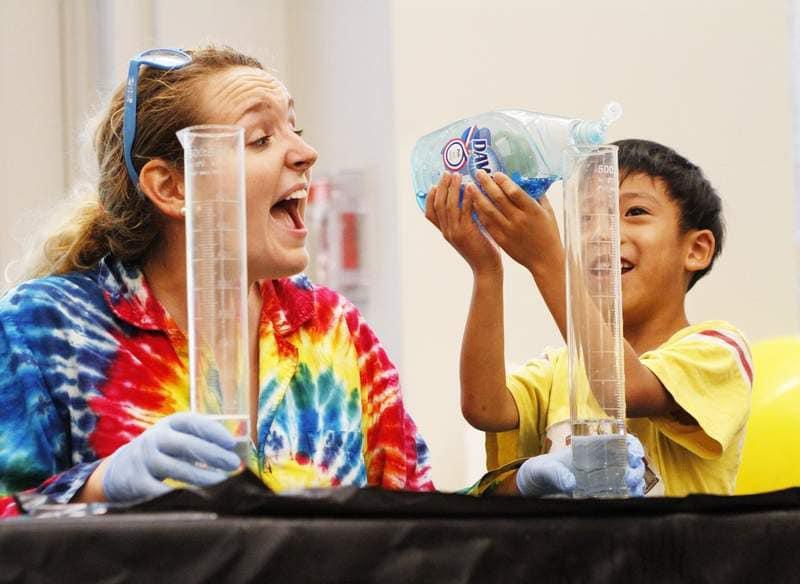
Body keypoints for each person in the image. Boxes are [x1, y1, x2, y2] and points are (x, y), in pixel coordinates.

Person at [0, 45, 434, 516]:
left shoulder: (333, 331)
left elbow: (420, 520)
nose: (307, 154)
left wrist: (515, 484)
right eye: (261, 139)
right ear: (171, 187)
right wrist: (99, 485)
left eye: (296, 128)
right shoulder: (43, 330)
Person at [425, 138, 752, 496]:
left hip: (666, 553)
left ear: (696, 249)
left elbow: (624, 388)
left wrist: (548, 261)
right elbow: (484, 408)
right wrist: (486, 270)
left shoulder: (719, 349)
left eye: (634, 213)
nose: (602, 234)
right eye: (587, 218)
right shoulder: (562, 366)